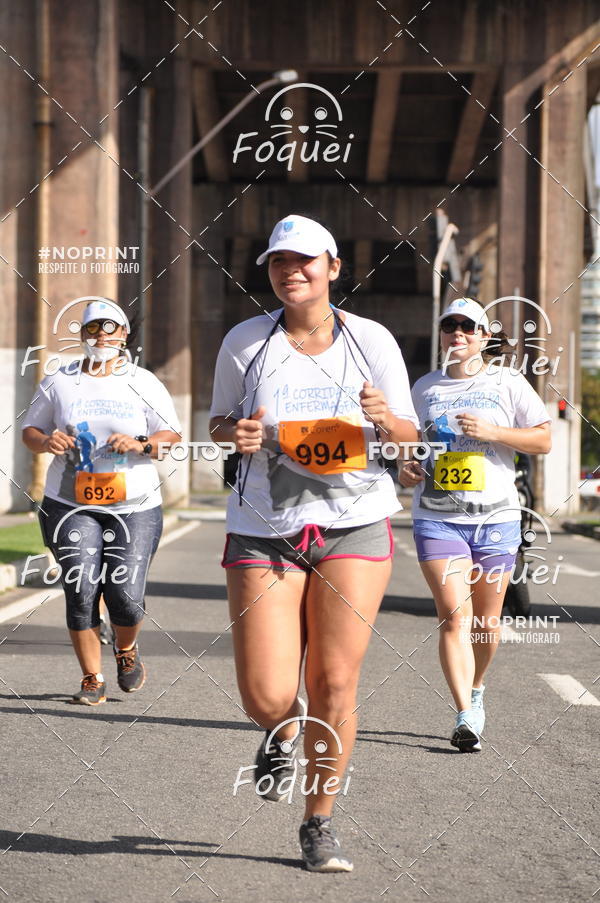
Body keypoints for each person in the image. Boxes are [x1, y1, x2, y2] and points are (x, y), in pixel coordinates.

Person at [209, 214, 419, 872]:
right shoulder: (246, 342)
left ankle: (319, 821)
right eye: (278, 261)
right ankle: (279, 728)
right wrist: (236, 433)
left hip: (354, 520)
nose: (290, 271)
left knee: (334, 680)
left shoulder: (372, 342)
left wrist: (386, 421)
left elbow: (408, 440)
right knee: (267, 693)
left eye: (305, 260)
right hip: (264, 525)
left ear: (332, 267)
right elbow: (217, 423)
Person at [399, 297, 551, 752]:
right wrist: (406, 467)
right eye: (451, 326)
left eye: (469, 326)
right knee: (454, 617)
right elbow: (408, 450)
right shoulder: (424, 388)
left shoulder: (507, 381)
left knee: (486, 622)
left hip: (496, 518)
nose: (458, 333)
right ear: (442, 334)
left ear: (485, 337)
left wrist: (495, 434)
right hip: (437, 518)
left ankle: (478, 685)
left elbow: (543, 438)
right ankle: (465, 712)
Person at [22, 299, 181, 705]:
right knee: (80, 590)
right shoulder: (59, 381)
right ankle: (92, 679)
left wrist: (140, 444)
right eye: (92, 330)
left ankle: (126, 650)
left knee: (125, 597)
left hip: (135, 505)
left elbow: (170, 436)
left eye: (110, 330)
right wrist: (46, 440)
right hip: (69, 502)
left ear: (124, 335)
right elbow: (31, 430)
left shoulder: (143, 381)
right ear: (82, 336)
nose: (101, 338)